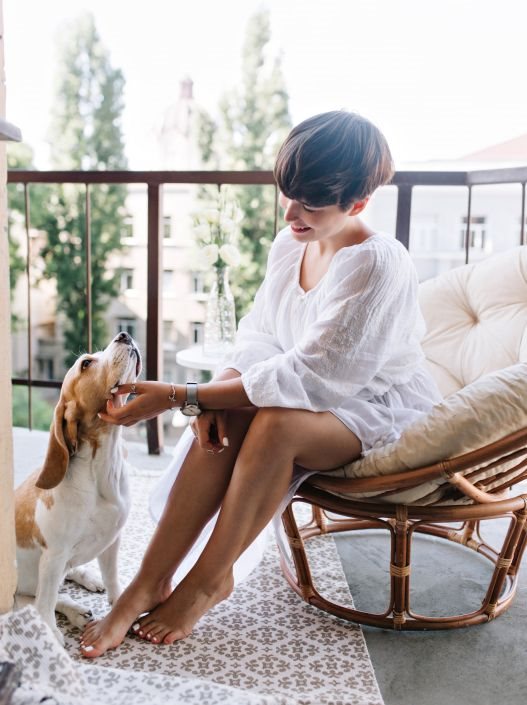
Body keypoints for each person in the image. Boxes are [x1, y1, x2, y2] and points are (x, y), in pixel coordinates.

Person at [80, 110, 441, 657]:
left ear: (358, 203)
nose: (291, 213)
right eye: (287, 194)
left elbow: (314, 380)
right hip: (314, 394)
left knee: (275, 424)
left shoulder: (376, 265)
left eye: (310, 204)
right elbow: (259, 338)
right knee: (229, 410)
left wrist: (182, 396)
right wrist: (210, 399)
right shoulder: (291, 244)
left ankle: (207, 582)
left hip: (374, 406)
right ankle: (146, 584)